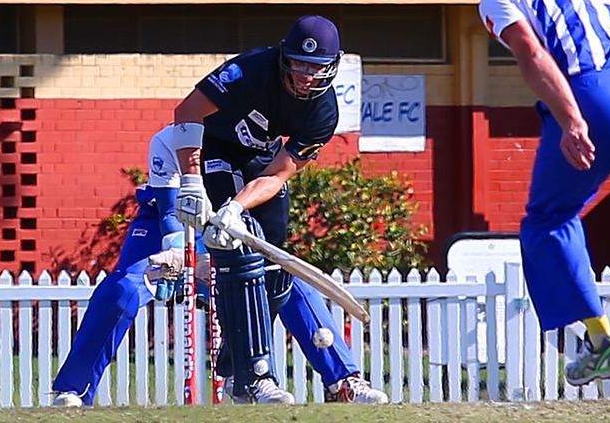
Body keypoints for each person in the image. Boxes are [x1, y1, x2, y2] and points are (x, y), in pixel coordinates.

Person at [52, 123, 387, 406]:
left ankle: (340, 382)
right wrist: (183, 256)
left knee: (286, 281)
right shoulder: (173, 139)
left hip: (230, 229)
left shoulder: (266, 148)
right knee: (123, 289)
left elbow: (269, 221)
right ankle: (73, 391)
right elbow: (172, 213)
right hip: (164, 226)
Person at [173, 15, 387, 403]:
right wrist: (190, 182)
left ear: (332, 65)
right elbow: (186, 112)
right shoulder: (250, 70)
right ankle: (254, 376)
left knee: (276, 269)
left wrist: (236, 207)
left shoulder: (323, 113)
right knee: (242, 257)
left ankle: (239, 363)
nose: (307, 75)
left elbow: (278, 174)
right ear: (284, 57)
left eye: (317, 66)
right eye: (299, 63)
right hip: (212, 150)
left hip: (261, 164)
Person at [479, 0, 610, 386]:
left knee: (549, 219)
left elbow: (532, 53)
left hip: (591, 93)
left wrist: (571, 119)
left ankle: (601, 344)